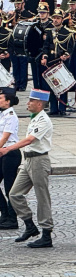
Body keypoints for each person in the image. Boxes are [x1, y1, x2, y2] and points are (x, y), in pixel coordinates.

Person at [4, 90, 54, 248]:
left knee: (42, 197)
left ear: (39, 104)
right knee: (14, 194)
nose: (27, 103)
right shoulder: (34, 118)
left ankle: (46, 234)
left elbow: (30, 140)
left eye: (31, 101)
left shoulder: (43, 120)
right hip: (28, 161)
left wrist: (8, 149)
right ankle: (30, 225)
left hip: (39, 160)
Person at [0, 88, 20, 230]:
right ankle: (4, 214)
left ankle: (12, 219)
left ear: (8, 102)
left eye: (1, 98)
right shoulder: (2, 114)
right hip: (2, 152)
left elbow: (5, 136)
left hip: (10, 153)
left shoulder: (11, 116)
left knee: (9, 188)